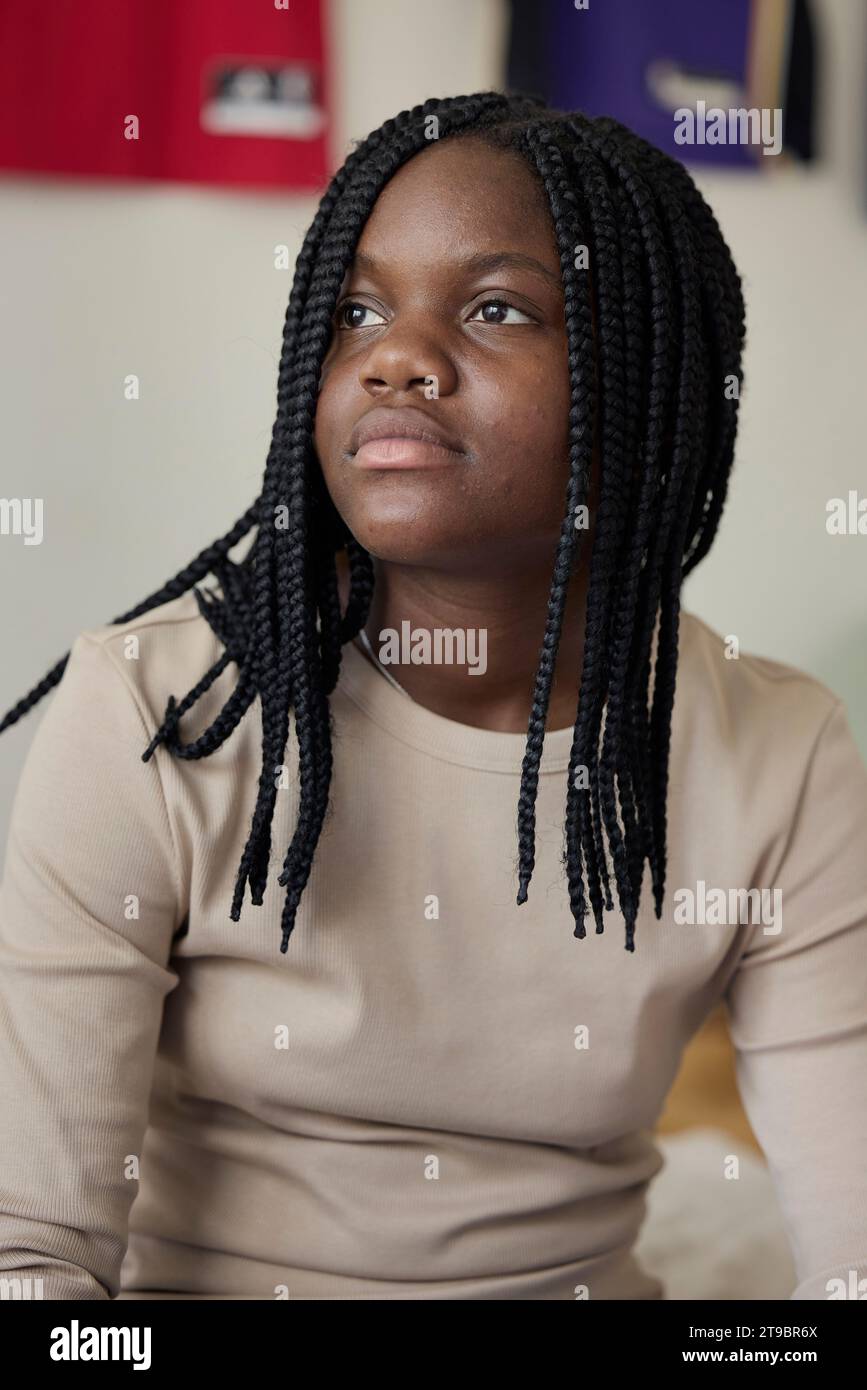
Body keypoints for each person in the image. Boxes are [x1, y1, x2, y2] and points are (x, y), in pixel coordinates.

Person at [1, 91, 866, 1302]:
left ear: (644, 382)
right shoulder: (155, 710)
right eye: (356, 311)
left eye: (496, 307)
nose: (393, 356)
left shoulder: (782, 751)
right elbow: (30, 1257)